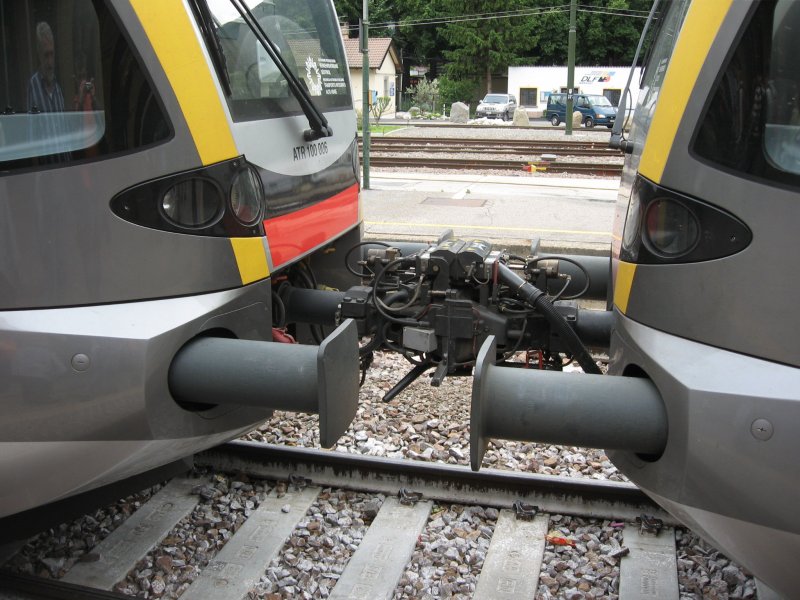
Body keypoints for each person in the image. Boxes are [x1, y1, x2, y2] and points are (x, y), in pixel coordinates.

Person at [27, 21, 70, 160]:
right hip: (47, 172)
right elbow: (32, 136)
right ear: (39, 55)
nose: (50, 62)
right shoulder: (33, 86)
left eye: (52, 54)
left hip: (65, 168)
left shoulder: (58, 89)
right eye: (46, 55)